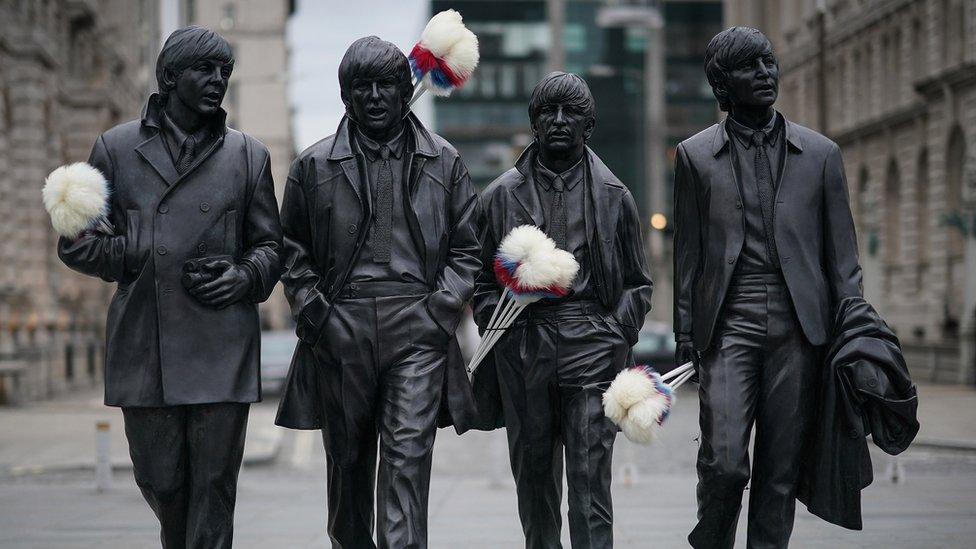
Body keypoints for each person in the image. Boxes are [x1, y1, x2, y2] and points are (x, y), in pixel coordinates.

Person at [57, 26, 282, 548]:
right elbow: (76, 244)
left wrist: (245, 276)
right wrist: (135, 248)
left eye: (224, 71)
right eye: (205, 70)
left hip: (221, 343)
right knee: (162, 481)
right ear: (169, 76)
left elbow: (273, 249)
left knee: (214, 486)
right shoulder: (115, 149)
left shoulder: (247, 155)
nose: (217, 80)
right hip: (145, 346)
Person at [274, 36, 480, 549]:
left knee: (407, 461)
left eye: (385, 84)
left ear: (403, 87)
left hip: (418, 326)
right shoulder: (313, 166)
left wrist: (441, 310)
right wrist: (313, 309)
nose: (373, 96)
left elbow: (468, 247)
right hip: (341, 325)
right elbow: (290, 248)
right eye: (360, 86)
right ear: (345, 96)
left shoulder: (444, 161)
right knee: (348, 467)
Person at [672, 27, 861, 548]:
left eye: (769, 62)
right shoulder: (693, 156)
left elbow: (842, 259)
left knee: (779, 473)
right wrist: (686, 331)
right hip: (729, 321)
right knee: (726, 462)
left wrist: (856, 333)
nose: (765, 73)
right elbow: (687, 252)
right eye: (750, 66)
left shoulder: (821, 155)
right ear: (722, 84)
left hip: (801, 328)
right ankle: (710, 538)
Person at [473, 72, 653, 548]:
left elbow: (638, 283)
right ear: (533, 123)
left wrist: (615, 332)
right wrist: (502, 328)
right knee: (535, 485)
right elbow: (476, 279)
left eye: (569, 112)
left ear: (587, 124)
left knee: (591, 483)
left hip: (592, 344)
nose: (557, 121)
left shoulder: (615, 197)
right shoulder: (497, 197)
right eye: (547, 112)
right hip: (526, 343)